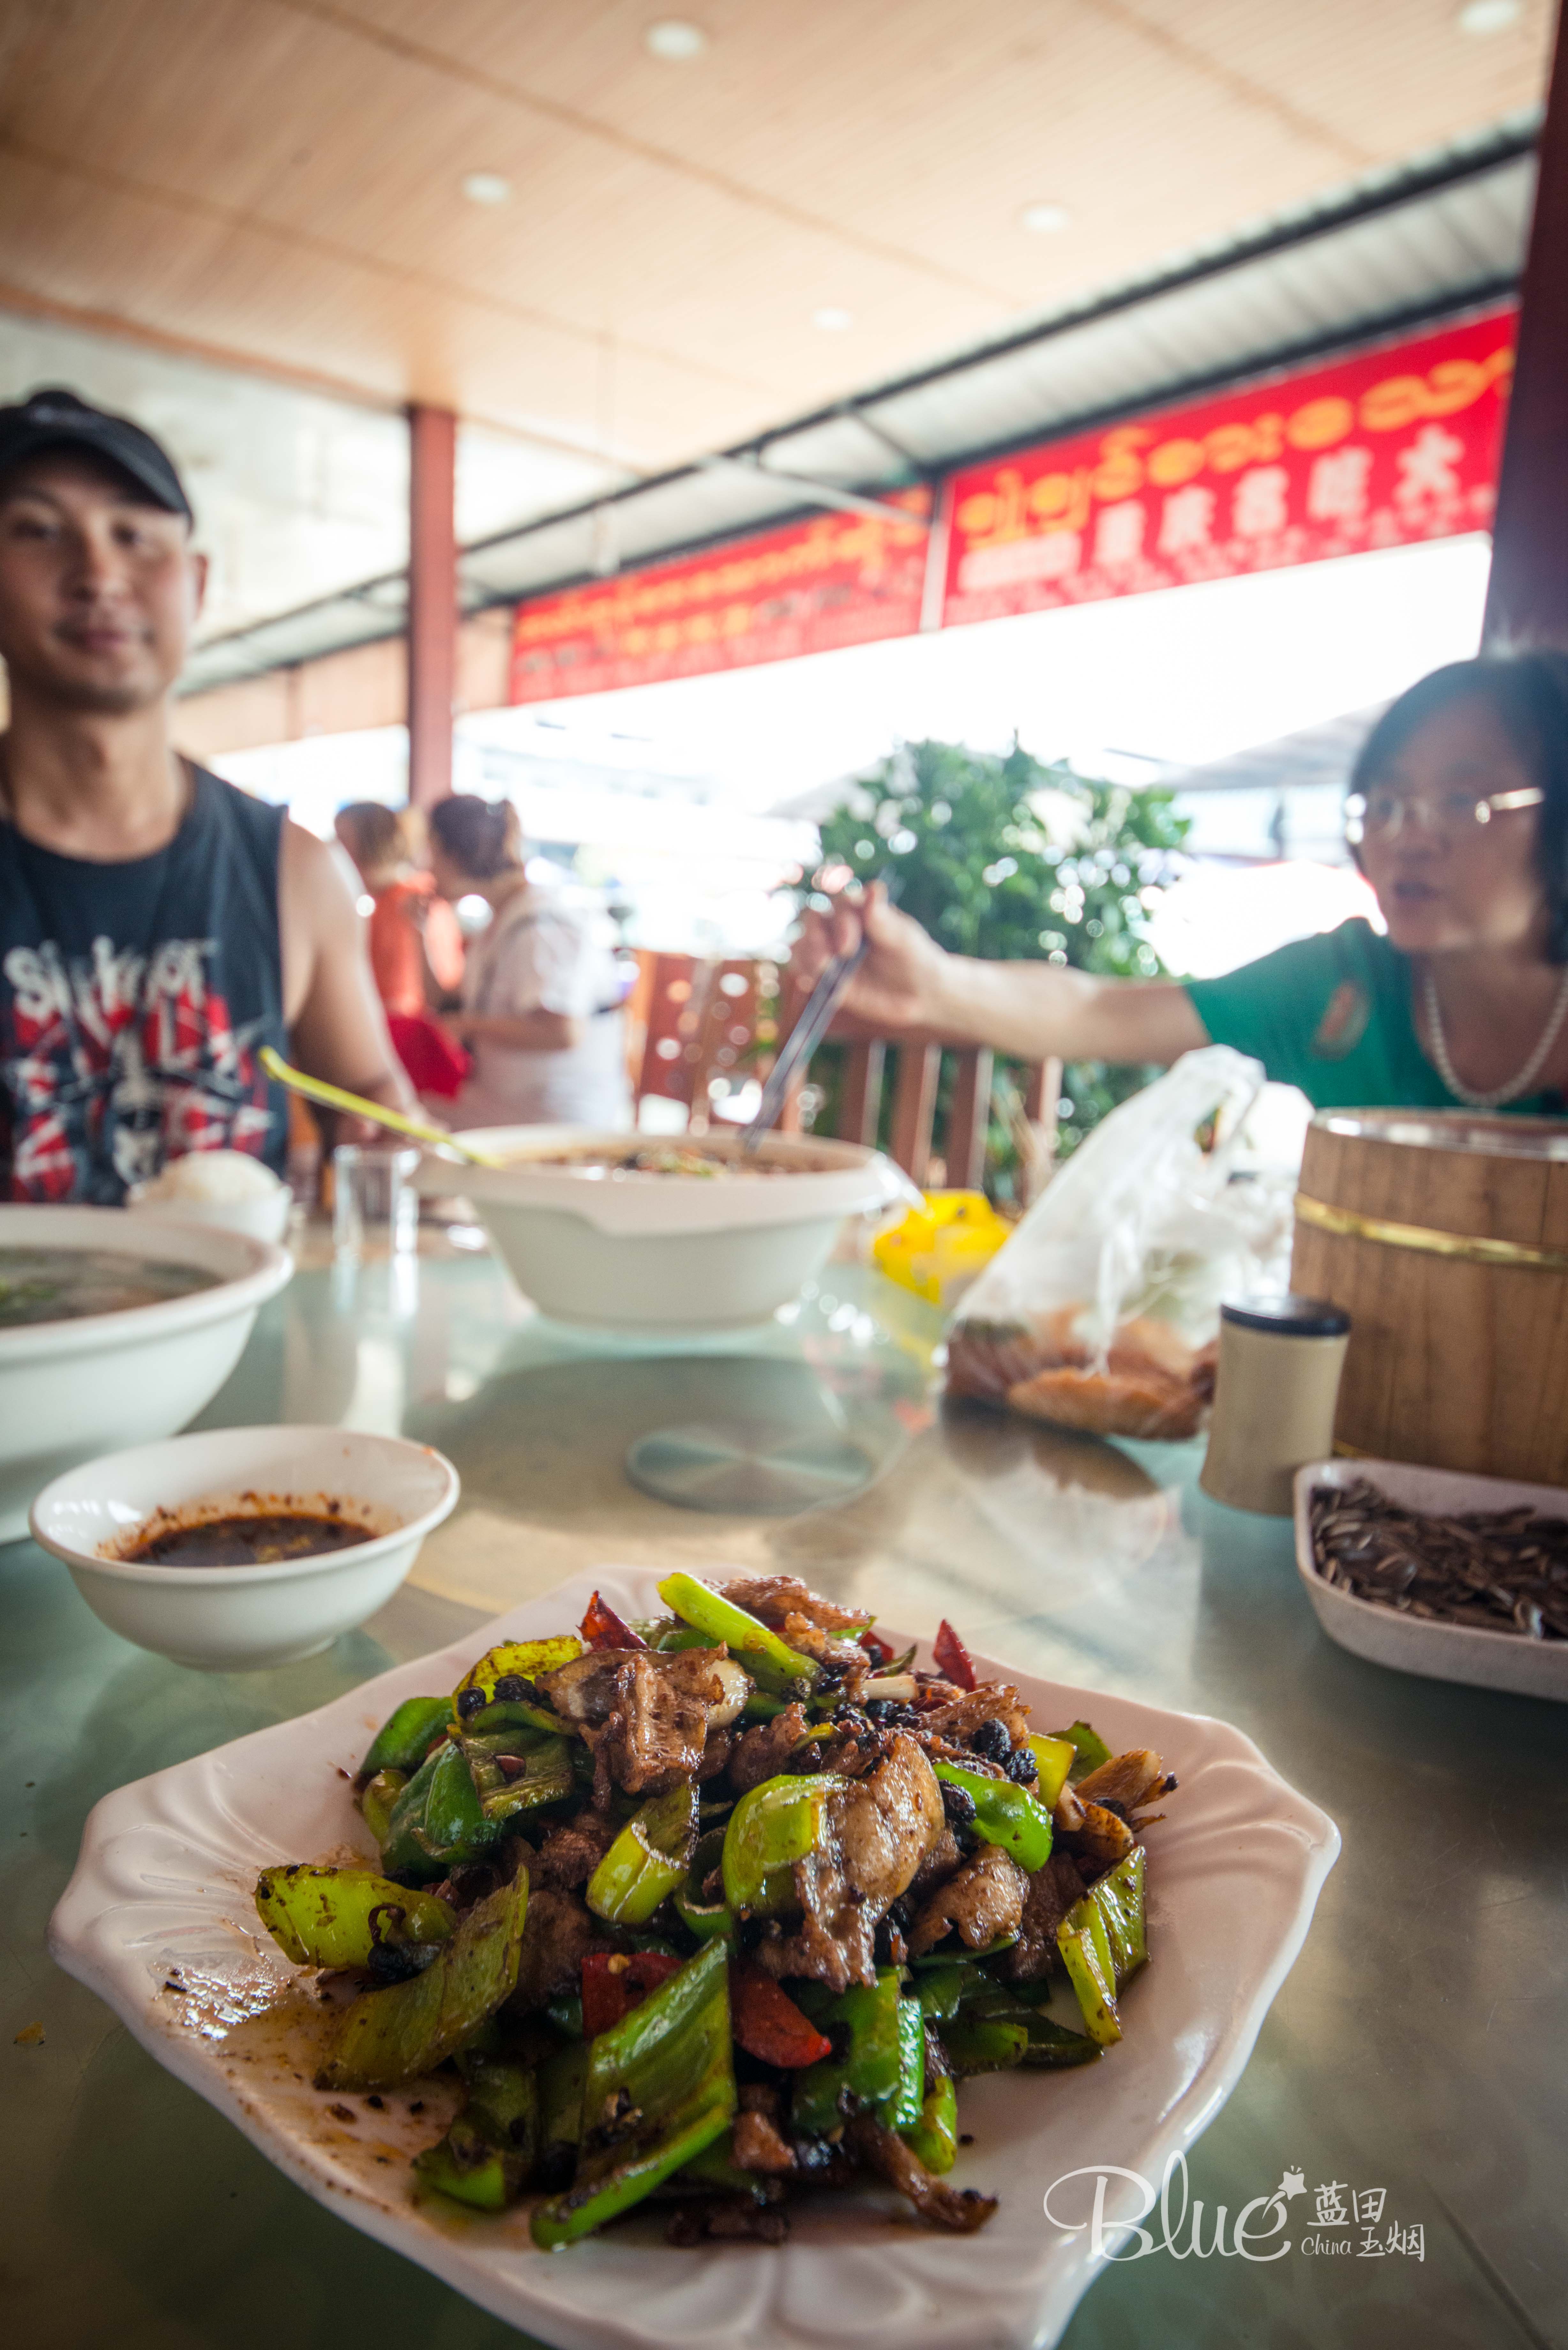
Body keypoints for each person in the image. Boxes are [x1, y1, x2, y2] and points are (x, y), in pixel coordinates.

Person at [795, 653, 1568, 1118]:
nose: (1409, 835)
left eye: (1463, 802)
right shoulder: (1343, 986)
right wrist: (935, 981)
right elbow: (1104, 1010)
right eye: (1387, 802)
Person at [0, 387, 416, 1201]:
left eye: (133, 535)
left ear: (194, 585)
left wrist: (383, 1132)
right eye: (39, 530)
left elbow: (367, 1095)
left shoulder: (295, 871)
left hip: (235, 1331)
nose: (99, 573)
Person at [424, 795, 630, 1129]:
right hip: (512, 1101)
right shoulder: (505, 920)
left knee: (404, 1115)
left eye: (431, 851)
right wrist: (420, 932)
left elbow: (563, 1031)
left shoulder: (540, 926)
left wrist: (467, 1026)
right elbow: (447, 1003)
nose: (427, 866)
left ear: (456, 853)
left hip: (554, 1113)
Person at [334, 800, 469, 1099]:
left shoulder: (406, 903)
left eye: (340, 842)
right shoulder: (393, 900)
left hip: (415, 1061)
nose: (332, 853)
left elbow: (401, 1002)